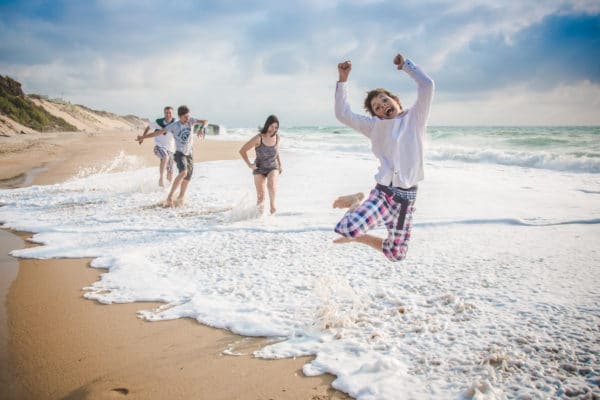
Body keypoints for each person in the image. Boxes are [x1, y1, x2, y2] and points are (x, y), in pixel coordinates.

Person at [332, 53, 434, 262]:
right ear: (376, 115)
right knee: (347, 228)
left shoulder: (415, 119)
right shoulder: (374, 127)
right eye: (377, 107)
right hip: (384, 194)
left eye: (385, 100)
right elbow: (343, 114)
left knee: (396, 254)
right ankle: (356, 200)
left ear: (396, 101)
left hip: (407, 199)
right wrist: (343, 80)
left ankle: (359, 238)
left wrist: (406, 66)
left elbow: (427, 86)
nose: (382, 106)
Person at [137, 105, 208, 207]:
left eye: (188, 116)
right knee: (183, 172)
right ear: (179, 117)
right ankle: (169, 197)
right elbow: (158, 133)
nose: (188, 119)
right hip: (179, 154)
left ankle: (180, 199)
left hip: (190, 154)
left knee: (188, 177)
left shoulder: (191, 120)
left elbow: (205, 121)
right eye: (185, 117)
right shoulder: (174, 125)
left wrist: (202, 128)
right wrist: (143, 137)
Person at [239, 115, 282, 214]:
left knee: (271, 185)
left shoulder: (277, 138)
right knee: (261, 198)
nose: (274, 129)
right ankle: (259, 221)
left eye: (276, 127)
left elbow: (276, 152)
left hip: (273, 167)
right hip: (259, 168)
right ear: (267, 125)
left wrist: (280, 164)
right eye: (272, 126)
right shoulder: (259, 138)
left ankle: (272, 208)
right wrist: (249, 165)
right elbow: (242, 150)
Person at [139, 106, 176, 187]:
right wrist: (143, 137)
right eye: (166, 112)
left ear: (172, 114)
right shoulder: (158, 122)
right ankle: (161, 179)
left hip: (170, 149)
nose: (168, 114)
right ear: (164, 113)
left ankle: (167, 189)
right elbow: (148, 127)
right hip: (159, 147)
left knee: (170, 171)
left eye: (170, 113)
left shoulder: (175, 123)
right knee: (165, 157)